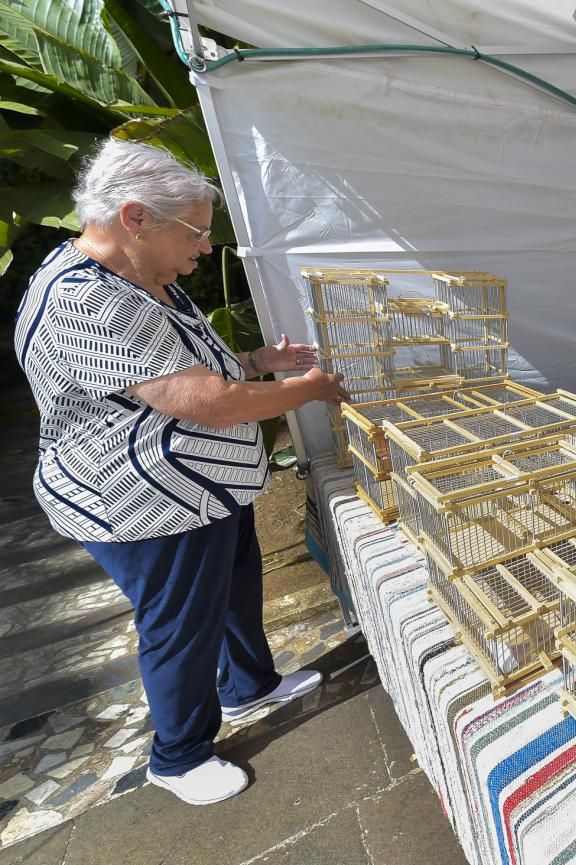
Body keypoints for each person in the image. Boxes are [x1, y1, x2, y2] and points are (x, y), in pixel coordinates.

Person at [14, 138, 349, 805]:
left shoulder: (140, 275)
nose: (202, 248)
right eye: (195, 232)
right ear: (136, 217)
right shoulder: (87, 300)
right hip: (144, 500)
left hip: (201, 487)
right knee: (179, 624)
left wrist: (257, 358)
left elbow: (191, 364)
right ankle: (179, 754)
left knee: (232, 586)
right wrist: (309, 388)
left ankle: (249, 684)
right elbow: (202, 400)